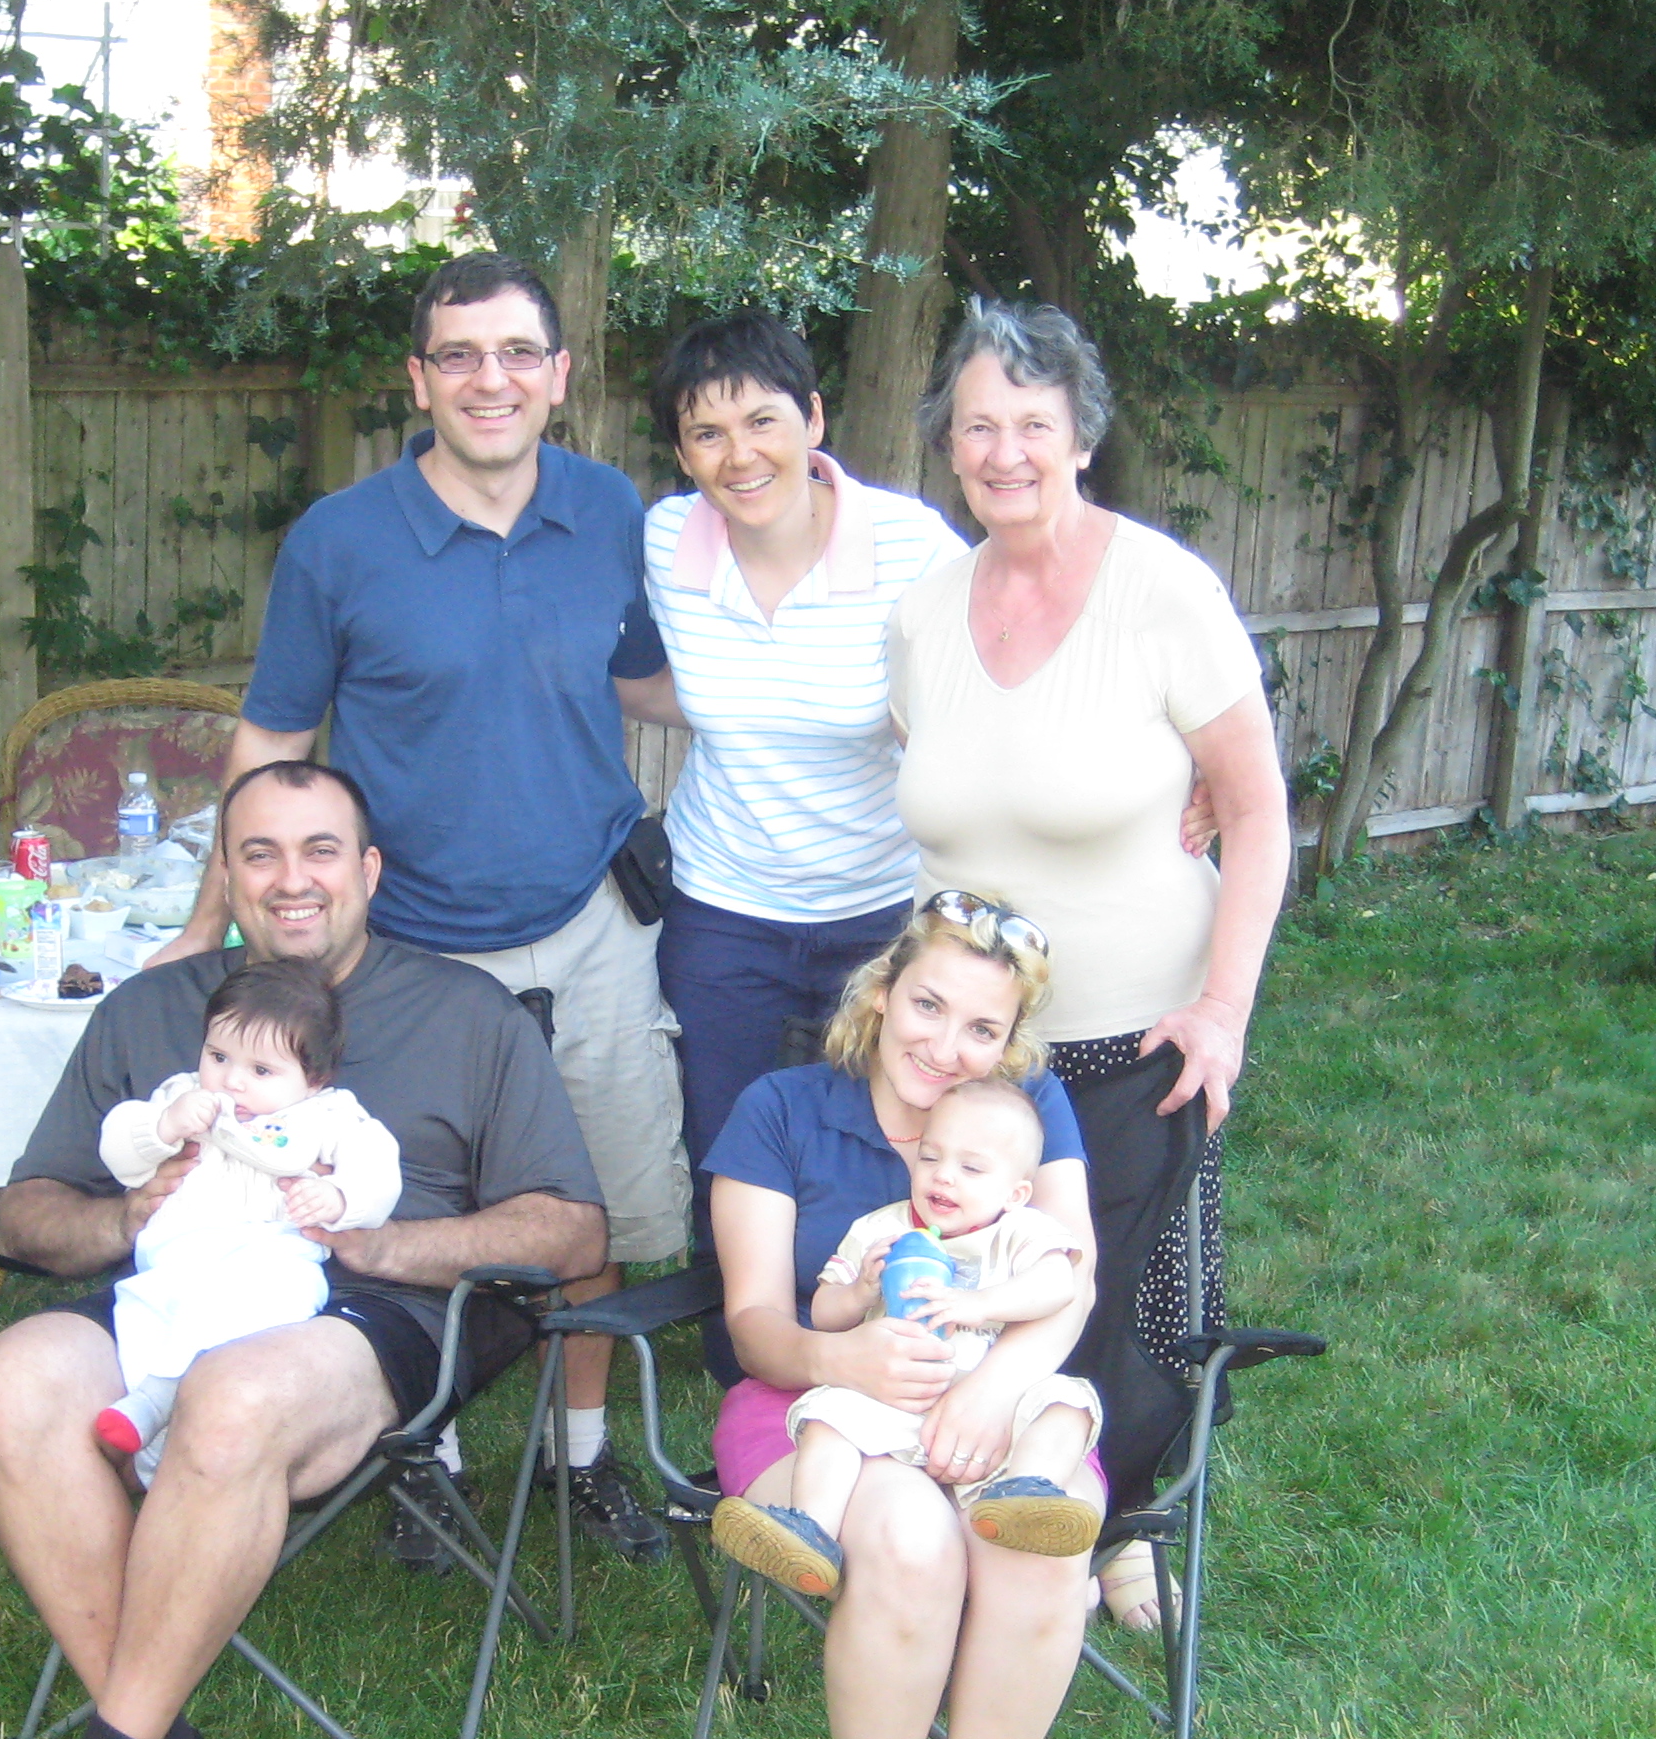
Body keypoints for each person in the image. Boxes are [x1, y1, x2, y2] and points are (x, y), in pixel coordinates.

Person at [0, 760, 605, 1739]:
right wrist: (129, 1213)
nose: (291, 879)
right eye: (259, 853)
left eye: (319, 851)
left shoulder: (468, 1014)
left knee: (233, 1399)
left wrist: (380, 1242)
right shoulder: (151, 1012)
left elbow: (571, 1231)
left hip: (381, 1313)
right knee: (13, 1384)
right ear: (227, 876)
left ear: (370, 871)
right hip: (177, 1293)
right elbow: (28, 1213)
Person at [154, 250, 681, 1567]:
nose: (489, 379)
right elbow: (274, 740)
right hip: (414, 949)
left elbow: (655, 683)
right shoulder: (341, 542)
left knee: (596, 1205)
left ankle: (581, 1457)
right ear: (419, 379)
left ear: (559, 375)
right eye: (459, 355)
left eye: (516, 353)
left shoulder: (612, 511)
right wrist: (209, 918)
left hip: (591, 924)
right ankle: (423, 1459)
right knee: (387, 1211)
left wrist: (847, 709)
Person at [890, 300, 1291, 1633]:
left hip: (1137, 1034)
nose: (1004, 452)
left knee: (1128, 1299)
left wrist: (1223, 1010)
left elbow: (1257, 810)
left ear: (1081, 438)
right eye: (978, 426)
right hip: (968, 1051)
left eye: (1033, 424)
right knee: (972, 1275)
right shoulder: (923, 614)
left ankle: (1122, 1524)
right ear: (948, 441)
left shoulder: (1162, 593)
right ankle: (961, 1504)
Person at [703, 899, 1099, 1739]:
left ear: (1011, 1041)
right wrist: (847, 1356)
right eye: (928, 1006)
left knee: (1036, 1542)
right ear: (881, 993)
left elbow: (1071, 1282)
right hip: (815, 1405)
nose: (946, 1046)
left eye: (983, 1028)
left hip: (998, 1397)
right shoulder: (781, 1108)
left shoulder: (1028, 1112)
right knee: (914, 1539)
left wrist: (992, 1388)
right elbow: (755, 1324)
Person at [627, 311, 968, 1214]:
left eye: (762, 421)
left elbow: (1011, 665)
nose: (739, 455)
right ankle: (738, 1307)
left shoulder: (912, 546)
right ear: (682, 454)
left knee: (888, 1153)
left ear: (812, 419)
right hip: (723, 908)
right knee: (730, 1153)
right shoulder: (666, 542)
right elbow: (640, 680)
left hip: (879, 908)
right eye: (707, 433)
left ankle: (873, 1299)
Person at [713, 1077, 1101, 1601]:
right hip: (895, 1399)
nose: (944, 1176)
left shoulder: (1022, 1232)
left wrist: (979, 1304)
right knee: (829, 1416)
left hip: (996, 1408)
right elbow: (823, 1313)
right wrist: (859, 1291)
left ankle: (1029, 1493)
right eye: (931, 1158)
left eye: (971, 1168)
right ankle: (809, 1529)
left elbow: (1059, 1285)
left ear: (1015, 1194)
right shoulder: (882, 1230)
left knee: (1068, 1405)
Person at [87, 957, 402, 1475]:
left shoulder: (328, 1115)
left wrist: (340, 1197)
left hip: (270, 1259)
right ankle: (154, 1448)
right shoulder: (182, 1096)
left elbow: (379, 1169)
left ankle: (157, 1400)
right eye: (218, 1056)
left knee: (258, 1309)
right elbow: (118, 1151)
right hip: (177, 1259)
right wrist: (162, 1127)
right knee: (146, 1324)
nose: (231, 1081)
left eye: (261, 1071)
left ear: (314, 1078)